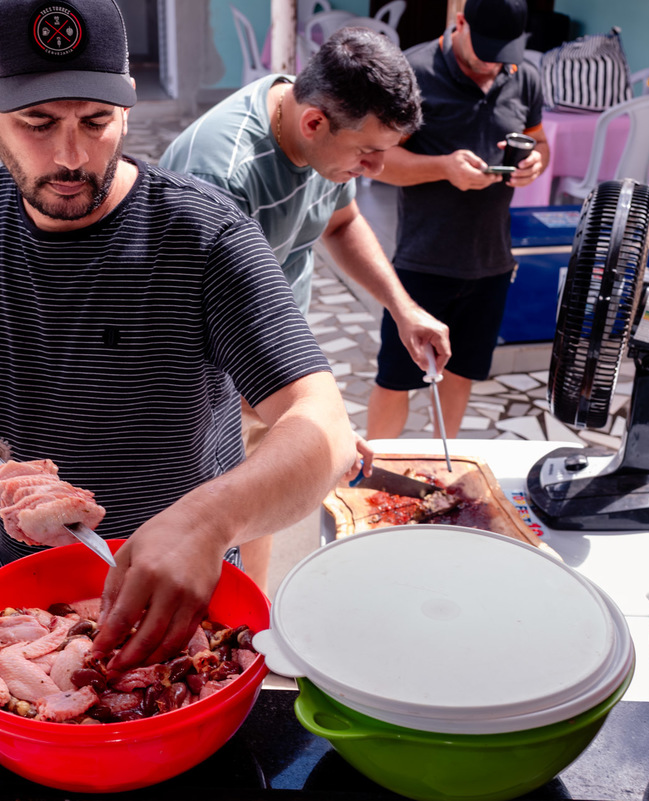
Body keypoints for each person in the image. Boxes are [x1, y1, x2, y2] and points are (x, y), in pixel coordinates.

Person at [0, 0, 357, 671]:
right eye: (38, 124)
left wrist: (207, 522)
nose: (70, 157)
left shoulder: (202, 234)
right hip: (17, 592)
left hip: (181, 593)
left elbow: (325, 426)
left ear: (127, 108)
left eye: (96, 123)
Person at [159, 27, 451, 585]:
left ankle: (257, 617)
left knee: (262, 501)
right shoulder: (219, 175)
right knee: (210, 527)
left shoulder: (322, 136)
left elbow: (341, 223)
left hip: (268, 351)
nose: (375, 171)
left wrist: (401, 306)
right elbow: (198, 329)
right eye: (368, 153)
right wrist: (314, 425)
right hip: (206, 375)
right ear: (314, 122)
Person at [365, 0, 550, 441]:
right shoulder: (414, 73)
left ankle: (441, 463)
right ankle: (372, 472)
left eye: (504, 53)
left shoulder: (524, 76)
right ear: (459, 22)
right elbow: (379, 160)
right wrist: (443, 167)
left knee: (461, 371)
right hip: (423, 260)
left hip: (490, 261)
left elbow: (539, 139)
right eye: (485, 50)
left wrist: (535, 163)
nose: (493, 64)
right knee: (397, 377)